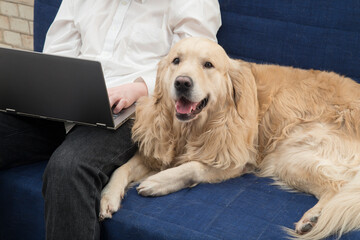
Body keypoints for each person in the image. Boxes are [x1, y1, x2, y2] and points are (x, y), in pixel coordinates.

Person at [0, 0, 221, 239]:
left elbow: (198, 71)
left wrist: (138, 87)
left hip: (136, 109)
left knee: (69, 167)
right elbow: (57, 52)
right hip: (68, 101)